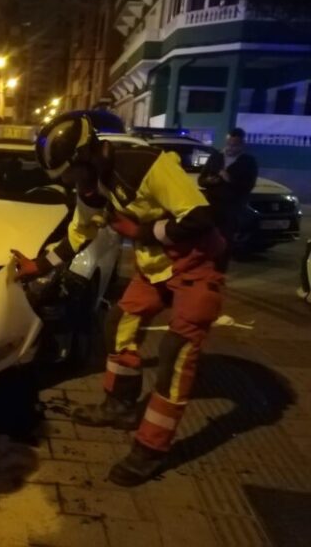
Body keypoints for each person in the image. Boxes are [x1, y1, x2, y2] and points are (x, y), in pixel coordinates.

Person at [12, 112, 224, 486]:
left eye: (70, 174)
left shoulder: (148, 166)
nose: (71, 184)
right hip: (155, 266)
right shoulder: (92, 186)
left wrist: (141, 230)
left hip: (197, 265)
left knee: (176, 355)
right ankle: (121, 405)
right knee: (119, 324)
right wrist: (38, 266)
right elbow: (80, 234)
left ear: (88, 156)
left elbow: (201, 216)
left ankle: (150, 450)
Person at [198, 128, 258, 271]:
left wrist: (230, 179)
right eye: (229, 144)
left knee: (225, 240)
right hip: (212, 206)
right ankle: (205, 266)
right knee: (208, 238)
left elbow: (248, 186)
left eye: (235, 145)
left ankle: (220, 269)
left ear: (242, 144)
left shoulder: (248, 162)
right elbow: (201, 180)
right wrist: (209, 180)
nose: (231, 148)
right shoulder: (216, 157)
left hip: (231, 209)